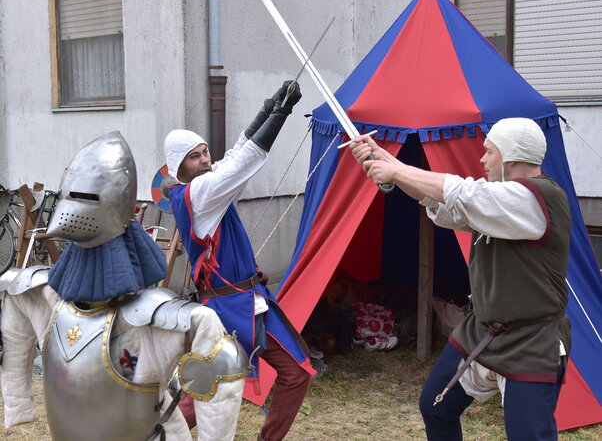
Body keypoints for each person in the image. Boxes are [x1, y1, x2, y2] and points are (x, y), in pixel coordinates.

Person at [0, 132, 248, 441]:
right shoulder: (39, 294)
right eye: (73, 195)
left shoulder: (154, 317)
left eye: (85, 197)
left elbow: (221, 362)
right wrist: (18, 401)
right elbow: (12, 322)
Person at [350, 118, 571, 441]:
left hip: (531, 341)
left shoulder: (535, 199)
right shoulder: (499, 200)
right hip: (481, 330)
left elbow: (462, 193)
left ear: (510, 158)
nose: (483, 160)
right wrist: (386, 161)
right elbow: (442, 203)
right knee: (435, 407)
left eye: (489, 152)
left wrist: (396, 170)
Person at [163, 81, 315, 441]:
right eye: (194, 157)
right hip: (228, 309)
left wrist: (265, 111)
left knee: (222, 378)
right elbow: (238, 166)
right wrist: (279, 115)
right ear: (178, 167)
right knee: (216, 385)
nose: (205, 161)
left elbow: (232, 158)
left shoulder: (207, 186)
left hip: (244, 301)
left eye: (204, 153)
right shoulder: (198, 193)